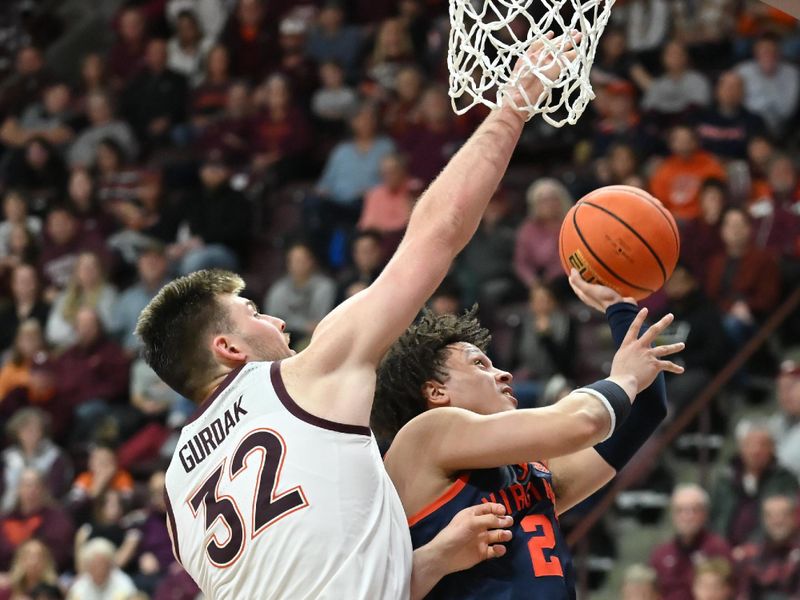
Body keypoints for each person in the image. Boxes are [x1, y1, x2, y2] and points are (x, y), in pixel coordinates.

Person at [135, 36, 574, 598]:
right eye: (256, 313)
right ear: (229, 348)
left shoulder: (176, 498)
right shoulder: (302, 379)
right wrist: (514, 104)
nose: (281, 324)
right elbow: (436, 233)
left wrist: (433, 560)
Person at [372, 271, 685, 597]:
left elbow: (645, 410)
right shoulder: (424, 435)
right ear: (436, 392)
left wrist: (619, 306)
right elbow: (584, 422)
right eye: (480, 364)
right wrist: (624, 378)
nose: (503, 373)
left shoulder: (531, 475)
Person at [710, 419, 798, 547]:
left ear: (773, 447)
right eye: (750, 444)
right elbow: (714, 520)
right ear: (740, 447)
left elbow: (784, 520)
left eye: (763, 444)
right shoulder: (725, 479)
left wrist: (751, 548)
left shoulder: (785, 479)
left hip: (767, 551)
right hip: (725, 550)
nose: (756, 450)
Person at [649, 484, 731, 600]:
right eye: (680, 510)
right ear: (672, 514)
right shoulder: (660, 554)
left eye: (694, 510)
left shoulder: (719, 549)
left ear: (705, 513)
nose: (687, 516)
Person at [263, 242, 337, 349]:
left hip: (315, 337)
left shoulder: (324, 287)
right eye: (294, 260)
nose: (298, 264)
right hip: (283, 336)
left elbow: (318, 323)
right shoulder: (278, 289)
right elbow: (272, 319)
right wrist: (303, 325)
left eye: (302, 260)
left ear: (311, 261)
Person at [735, 494, 800, 597]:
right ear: (763, 519)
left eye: (783, 515)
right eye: (771, 515)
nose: (778, 521)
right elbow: (743, 594)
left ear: (794, 517)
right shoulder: (750, 554)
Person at [67, 538, 138, 600]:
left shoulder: (124, 583)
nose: (99, 570)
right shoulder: (80, 585)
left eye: (103, 565)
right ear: (88, 568)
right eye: (95, 566)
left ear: (110, 566)